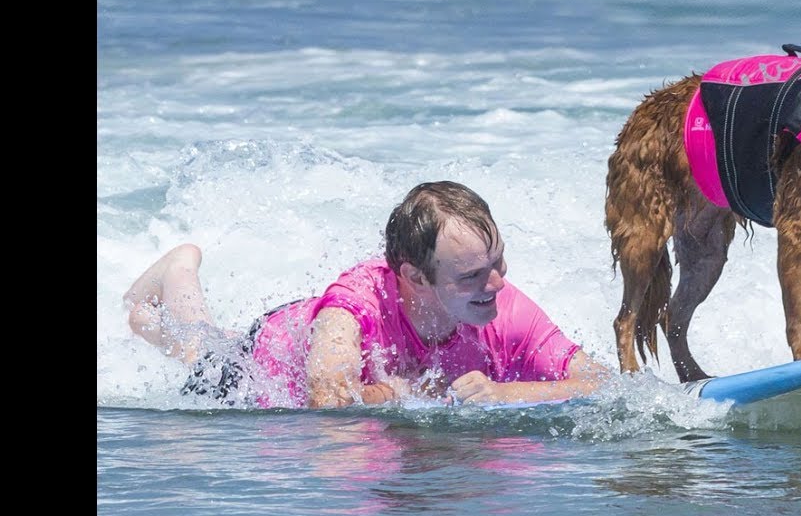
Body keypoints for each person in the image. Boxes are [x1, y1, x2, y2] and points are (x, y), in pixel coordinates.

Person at [123, 180, 612, 408]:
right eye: (470, 276)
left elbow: (602, 383)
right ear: (415, 277)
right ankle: (178, 269)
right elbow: (327, 401)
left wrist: (504, 393)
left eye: (497, 263)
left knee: (203, 341)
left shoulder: (500, 305)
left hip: (303, 329)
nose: (497, 283)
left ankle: (155, 314)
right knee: (203, 351)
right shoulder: (354, 306)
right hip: (263, 358)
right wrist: (402, 394)